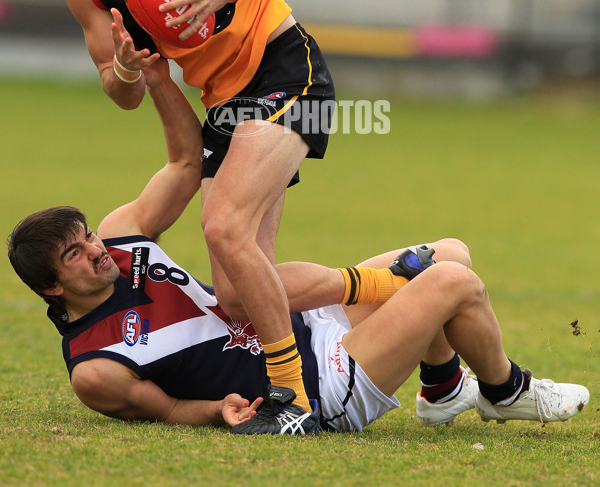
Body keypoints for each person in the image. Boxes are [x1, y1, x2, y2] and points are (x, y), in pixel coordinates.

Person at [7, 62, 589, 434]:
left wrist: (159, 80)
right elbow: (166, 411)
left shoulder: (121, 241)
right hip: (317, 387)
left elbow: (185, 163)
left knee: (451, 253)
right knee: (451, 284)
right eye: (76, 255)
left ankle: (440, 390)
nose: (96, 249)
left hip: (305, 322)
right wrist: (219, 412)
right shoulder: (93, 366)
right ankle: (506, 390)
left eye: (86, 236)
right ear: (52, 287)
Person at [56, 0, 336, 431]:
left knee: (223, 227)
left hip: (286, 65)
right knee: (236, 295)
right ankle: (403, 281)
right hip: (223, 104)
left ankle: (291, 396)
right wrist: (129, 66)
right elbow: (119, 91)